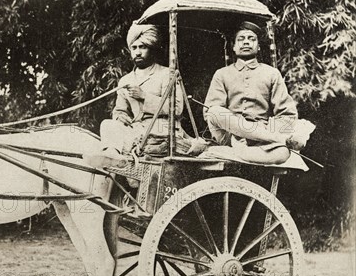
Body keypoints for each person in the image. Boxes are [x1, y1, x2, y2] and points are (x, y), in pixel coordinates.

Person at [204, 21, 314, 163]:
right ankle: (247, 150)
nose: (246, 43)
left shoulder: (271, 73)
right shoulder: (222, 74)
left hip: (262, 140)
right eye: (241, 39)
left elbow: (287, 114)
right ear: (234, 46)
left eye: (251, 39)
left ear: (259, 46)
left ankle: (237, 154)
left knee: (283, 153)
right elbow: (211, 113)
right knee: (213, 112)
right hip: (230, 136)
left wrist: (268, 131)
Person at [85, 23, 184, 168]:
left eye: (142, 47)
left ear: (152, 48)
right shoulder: (126, 80)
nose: (137, 52)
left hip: (162, 130)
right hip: (137, 130)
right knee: (107, 124)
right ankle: (112, 155)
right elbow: (120, 110)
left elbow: (177, 108)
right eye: (134, 48)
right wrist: (120, 117)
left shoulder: (166, 74)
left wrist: (144, 96)